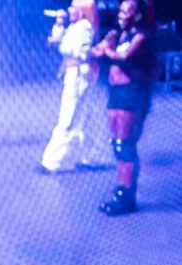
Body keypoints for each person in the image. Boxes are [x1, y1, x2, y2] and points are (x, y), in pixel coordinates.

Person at [90, 0, 157, 215]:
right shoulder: (118, 35)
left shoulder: (140, 37)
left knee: (125, 144)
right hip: (116, 92)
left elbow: (125, 56)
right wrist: (104, 48)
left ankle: (127, 194)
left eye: (125, 12)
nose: (120, 16)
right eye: (120, 12)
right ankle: (122, 188)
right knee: (117, 144)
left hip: (132, 93)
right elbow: (96, 51)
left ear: (137, 16)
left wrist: (107, 50)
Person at [38, 0, 99, 174]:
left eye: (74, 8)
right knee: (85, 116)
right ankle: (92, 157)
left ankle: (52, 162)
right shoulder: (74, 26)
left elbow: (79, 52)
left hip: (78, 74)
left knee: (68, 116)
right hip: (73, 72)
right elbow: (62, 45)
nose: (70, 10)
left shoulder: (84, 27)